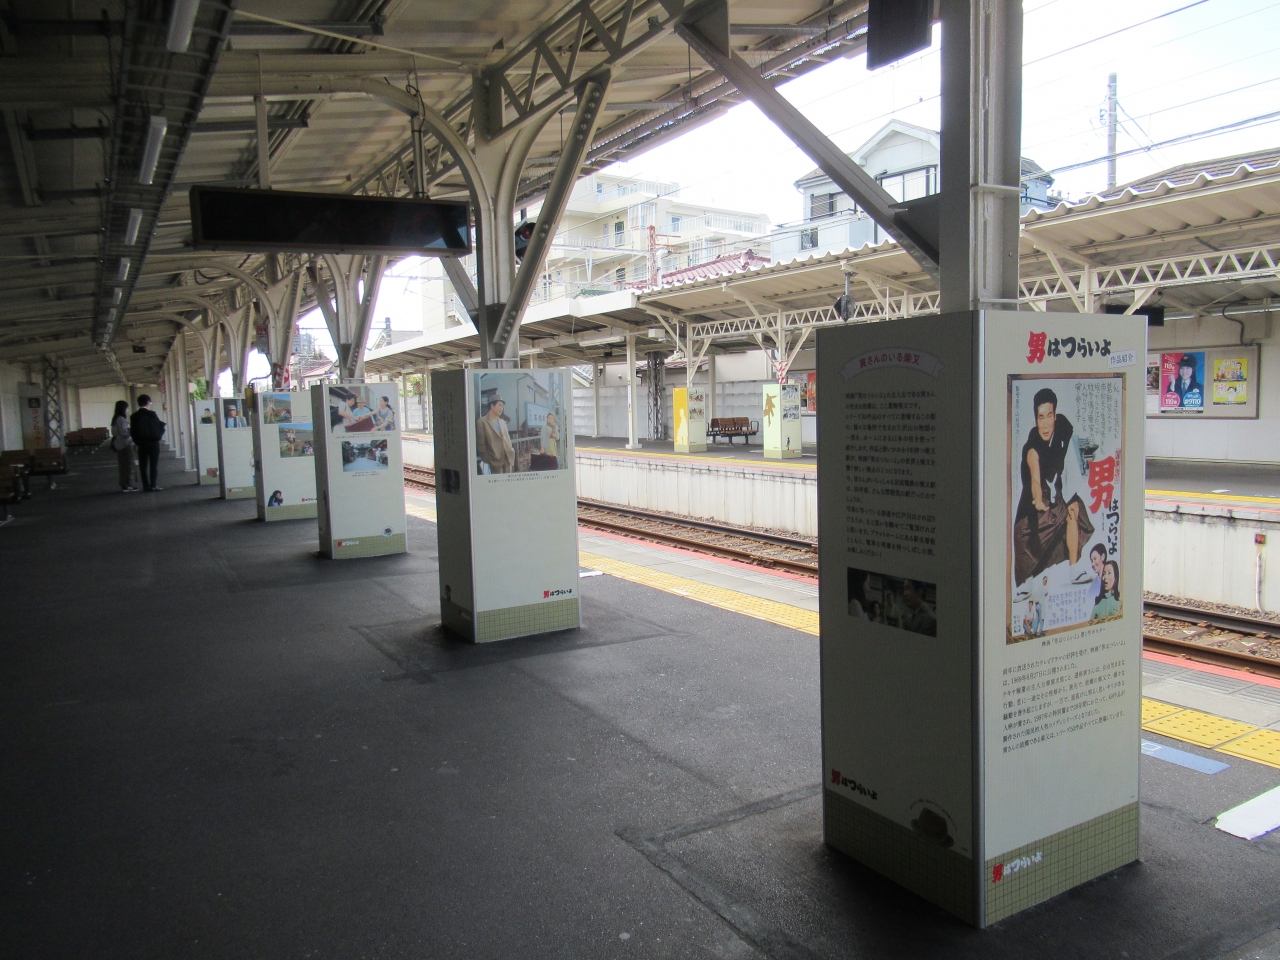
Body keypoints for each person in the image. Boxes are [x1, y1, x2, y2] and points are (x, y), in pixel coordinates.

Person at [1013, 388, 1094, 587]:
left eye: (1049, 416)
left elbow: (1068, 460)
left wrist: (1070, 497)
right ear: (1035, 420)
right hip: (1029, 522)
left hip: (1052, 510)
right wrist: (1038, 499)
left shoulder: (1063, 428)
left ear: (1055, 416)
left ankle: (1074, 571)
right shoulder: (1032, 449)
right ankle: (1026, 587)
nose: (1046, 424)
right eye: (1041, 418)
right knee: (1025, 585)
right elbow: (1035, 480)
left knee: (1074, 508)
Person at [129, 395, 166, 492]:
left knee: (143, 465)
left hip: (142, 444)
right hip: (153, 443)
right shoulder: (152, 414)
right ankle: (153, 485)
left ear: (138, 403)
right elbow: (158, 427)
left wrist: (137, 442)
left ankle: (145, 485)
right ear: (148, 403)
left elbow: (132, 432)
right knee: (154, 465)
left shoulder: (134, 416)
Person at [475, 395, 516, 474]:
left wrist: (511, 450)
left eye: (502, 406)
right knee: (497, 481)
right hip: (494, 461)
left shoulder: (502, 422)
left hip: (508, 459)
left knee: (508, 481)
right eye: (500, 405)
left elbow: (507, 439)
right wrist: (487, 460)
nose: (502, 408)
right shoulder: (482, 422)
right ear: (492, 405)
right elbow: (481, 444)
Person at [110, 399, 138, 492]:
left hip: (119, 444)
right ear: (123, 409)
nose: (127, 410)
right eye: (127, 408)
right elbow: (124, 432)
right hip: (125, 444)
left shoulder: (115, 418)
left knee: (123, 465)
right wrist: (131, 431)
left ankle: (124, 484)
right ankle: (127, 484)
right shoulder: (121, 419)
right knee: (128, 465)